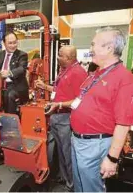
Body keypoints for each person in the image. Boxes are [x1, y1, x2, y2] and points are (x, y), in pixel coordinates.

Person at [70, 27, 133, 192]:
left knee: (91, 188)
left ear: (109, 48)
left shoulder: (124, 79)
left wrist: (112, 158)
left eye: (94, 44)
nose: (90, 49)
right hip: (78, 140)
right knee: (80, 186)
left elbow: (123, 124)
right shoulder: (96, 73)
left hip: (95, 144)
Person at [35, 45, 87, 191]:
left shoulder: (78, 73)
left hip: (65, 118)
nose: (57, 57)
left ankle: (72, 185)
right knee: (61, 153)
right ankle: (65, 179)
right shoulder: (65, 70)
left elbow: (80, 100)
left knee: (68, 153)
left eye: (60, 55)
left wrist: (59, 105)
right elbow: (59, 91)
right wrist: (44, 87)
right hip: (56, 116)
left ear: (69, 58)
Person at [0, 32, 28, 114]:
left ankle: (10, 119)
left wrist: (9, 73)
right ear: (4, 44)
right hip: (0, 85)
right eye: (10, 43)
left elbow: (22, 69)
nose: (13, 45)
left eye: (15, 42)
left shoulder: (22, 55)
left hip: (16, 86)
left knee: (9, 95)